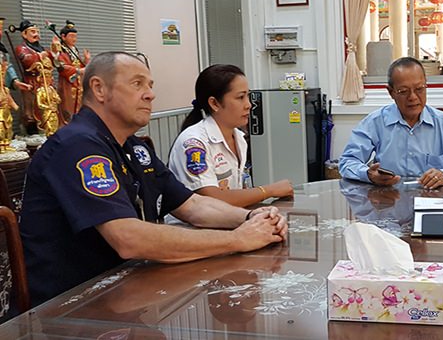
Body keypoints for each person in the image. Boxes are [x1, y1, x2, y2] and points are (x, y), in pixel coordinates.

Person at [19, 52, 288, 309]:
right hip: (74, 306)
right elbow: (128, 239)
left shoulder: (133, 147)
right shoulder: (76, 145)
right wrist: (237, 240)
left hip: (128, 289)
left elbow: (192, 205)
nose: (150, 94)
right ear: (99, 89)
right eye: (138, 84)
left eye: (150, 85)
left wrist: (250, 219)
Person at [339, 56, 443, 189]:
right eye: (403, 91)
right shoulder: (375, 123)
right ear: (391, 92)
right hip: (388, 200)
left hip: (434, 200)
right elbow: (348, 161)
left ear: (426, 86)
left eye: (419, 89)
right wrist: (368, 175)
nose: (412, 97)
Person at [168, 64, 293, 207]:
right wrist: (268, 191)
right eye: (240, 97)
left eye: (248, 96)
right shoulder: (194, 143)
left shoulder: (239, 138)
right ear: (214, 103)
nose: (249, 105)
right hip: (192, 227)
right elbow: (211, 200)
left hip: (226, 222)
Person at [12, 19, 62, 135]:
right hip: (33, 82)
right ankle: (34, 131)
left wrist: (54, 51)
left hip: (47, 83)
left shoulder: (43, 49)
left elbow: (55, 62)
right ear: (24, 34)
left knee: (52, 106)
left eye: (37, 32)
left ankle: (51, 130)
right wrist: (40, 56)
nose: (36, 35)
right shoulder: (22, 48)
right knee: (33, 109)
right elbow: (26, 60)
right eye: (33, 32)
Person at [56, 20, 89, 122]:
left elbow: (79, 64)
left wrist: (86, 60)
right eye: (71, 36)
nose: (74, 39)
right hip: (68, 82)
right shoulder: (60, 50)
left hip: (77, 82)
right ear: (63, 36)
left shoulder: (74, 49)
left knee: (79, 104)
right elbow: (61, 66)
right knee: (68, 105)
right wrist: (78, 70)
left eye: (75, 36)